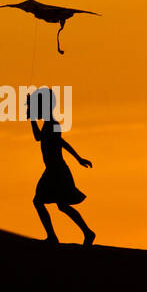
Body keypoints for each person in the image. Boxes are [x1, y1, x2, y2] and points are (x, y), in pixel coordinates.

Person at [27, 88, 95, 245]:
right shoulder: (50, 123)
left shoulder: (51, 124)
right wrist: (78, 158)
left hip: (56, 171)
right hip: (55, 170)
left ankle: (54, 236)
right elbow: (60, 141)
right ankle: (87, 232)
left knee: (40, 202)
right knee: (61, 205)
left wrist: (31, 119)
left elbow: (38, 137)